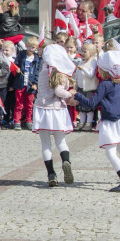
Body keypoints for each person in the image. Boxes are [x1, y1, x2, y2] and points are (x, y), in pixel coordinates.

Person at [71, 51, 120, 192]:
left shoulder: (104, 84)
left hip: (111, 121)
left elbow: (92, 103)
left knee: (110, 151)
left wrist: (77, 96)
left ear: (103, 70)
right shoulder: (117, 81)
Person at [33, 44, 77, 187]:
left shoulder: (43, 72)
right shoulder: (59, 73)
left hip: (42, 108)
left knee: (45, 144)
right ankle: (66, 161)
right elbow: (59, 92)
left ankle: (51, 173)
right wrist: (70, 94)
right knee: (61, 141)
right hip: (57, 110)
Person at [74, 43, 99, 130]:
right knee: (81, 107)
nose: (82, 53)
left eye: (85, 52)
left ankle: (89, 123)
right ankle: (82, 122)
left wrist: (83, 69)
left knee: (89, 108)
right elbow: (77, 76)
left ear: (91, 53)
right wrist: (75, 87)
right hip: (81, 88)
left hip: (89, 88)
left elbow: (90, 75)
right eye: (82, 51)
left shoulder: (93, 62)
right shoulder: (81, 62)